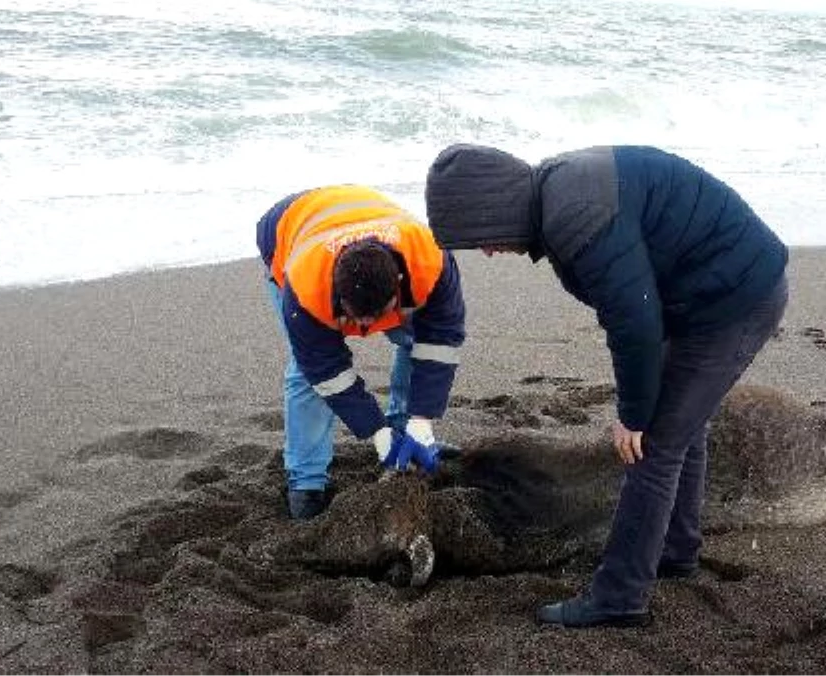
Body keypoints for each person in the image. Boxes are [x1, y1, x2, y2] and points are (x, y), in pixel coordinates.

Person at [424, 145, 789, 628]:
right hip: (697, 293)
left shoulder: (575, 215)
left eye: (481, 236)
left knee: (651, 445)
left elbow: (633, 321)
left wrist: (633, 414)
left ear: (498, 205)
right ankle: (676, 551)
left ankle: (619, 597)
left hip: (735, 298)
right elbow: (637, 306)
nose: (488, 252)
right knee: (683, 426)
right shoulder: (556, 196)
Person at [256, 184, 465, 520]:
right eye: (355, 318)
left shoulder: (430, 260)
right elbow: (324, 369)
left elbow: (441, 341)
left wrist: (421, 419)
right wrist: (374, 430)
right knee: (305, 374)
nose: (366, 326)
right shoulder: (305, 287)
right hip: (288, 229)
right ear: (337, 295)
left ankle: (405, 431)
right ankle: (307, 481)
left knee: (417, 339)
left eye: (377, 316)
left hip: (365, 215)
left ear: (399, 283)